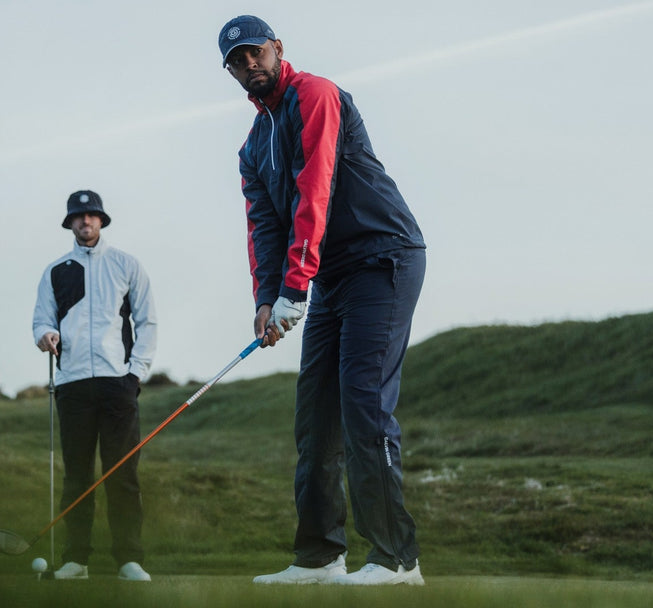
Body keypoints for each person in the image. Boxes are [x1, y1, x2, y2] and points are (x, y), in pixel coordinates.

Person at [217, 16, 428, 586]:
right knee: (315, 420)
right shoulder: (252, 148)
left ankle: (396, 558)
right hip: (331, 275)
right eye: (236, 61)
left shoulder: (316, 94)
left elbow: (317, 187)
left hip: (382, 257)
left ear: (277, 48)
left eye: (255, 52)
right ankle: (318, 557)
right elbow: (264, 226)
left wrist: (294, 287)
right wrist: (267, 299)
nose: (249, 64)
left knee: (363, 405)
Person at [32, 189, 158, 582]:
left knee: (122, 475)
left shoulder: (126, 264)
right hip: (72, 384)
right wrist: (45, 334)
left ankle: (128, 560)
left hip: (117, 383)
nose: (85, 221)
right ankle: (76, 560)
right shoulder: (56, 271)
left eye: (91, 215)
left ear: (101, 220)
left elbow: (147, 321)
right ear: (70, 222)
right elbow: (42, 319)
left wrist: (135, 373)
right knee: (77, 476)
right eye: (79, 216)